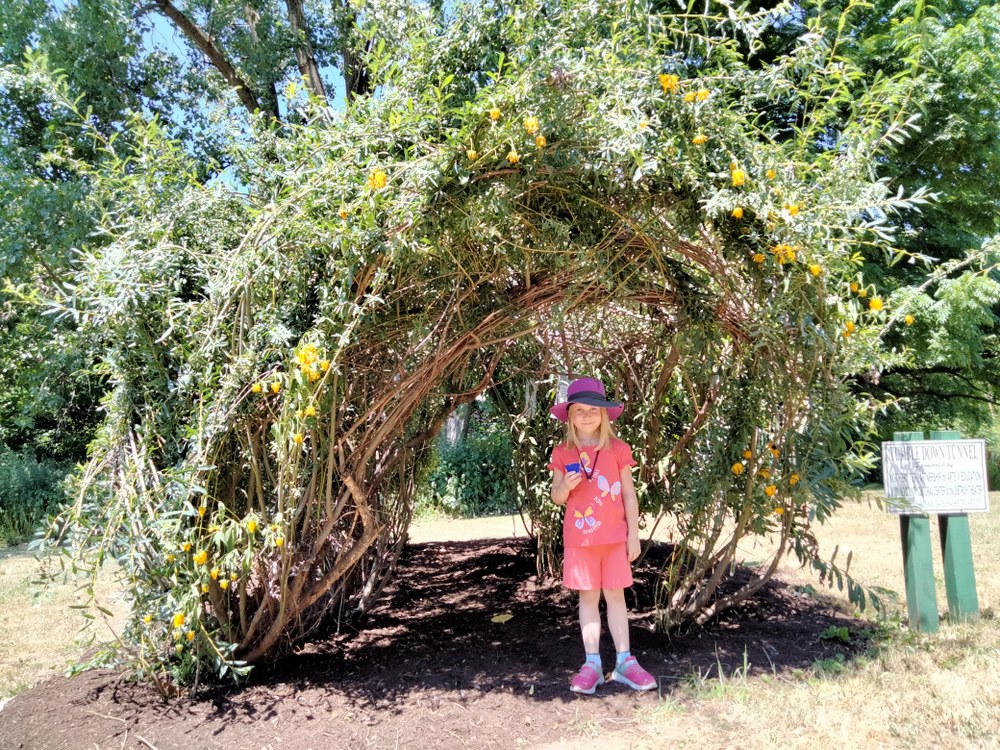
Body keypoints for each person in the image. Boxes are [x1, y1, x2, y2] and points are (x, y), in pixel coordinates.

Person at [548, 377, 656, 695]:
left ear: (604, 414)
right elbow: (556, 496)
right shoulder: (562, 451)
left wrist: (634, 535)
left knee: (616, 596)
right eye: (578, 410)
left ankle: (625, 662)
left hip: (614, 539)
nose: (586, 415)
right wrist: (565, 487)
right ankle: (592, 664)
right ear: (569, 416)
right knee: (589, 598)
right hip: (581, 541)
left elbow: (629, 495)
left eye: (592, 409)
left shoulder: (618, 449)